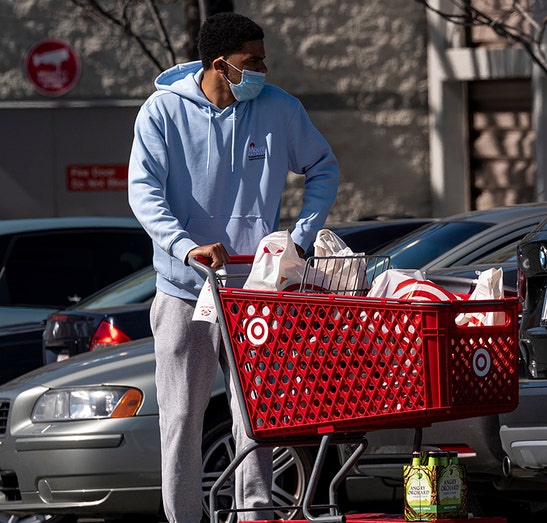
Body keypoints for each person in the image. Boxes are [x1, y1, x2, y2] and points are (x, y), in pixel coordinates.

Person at [127, 12, 339, 523]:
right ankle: (183, 519)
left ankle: (256, 516)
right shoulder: (161, 113)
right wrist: (184, 247)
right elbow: (143, 191)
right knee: (180, 417)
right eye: (254, 61)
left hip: (255, 292)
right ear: (221, 65)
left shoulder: (279, 109)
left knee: (257, 417)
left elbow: (323, 167)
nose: (264, 69)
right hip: (183, 291)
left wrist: (299, 239)